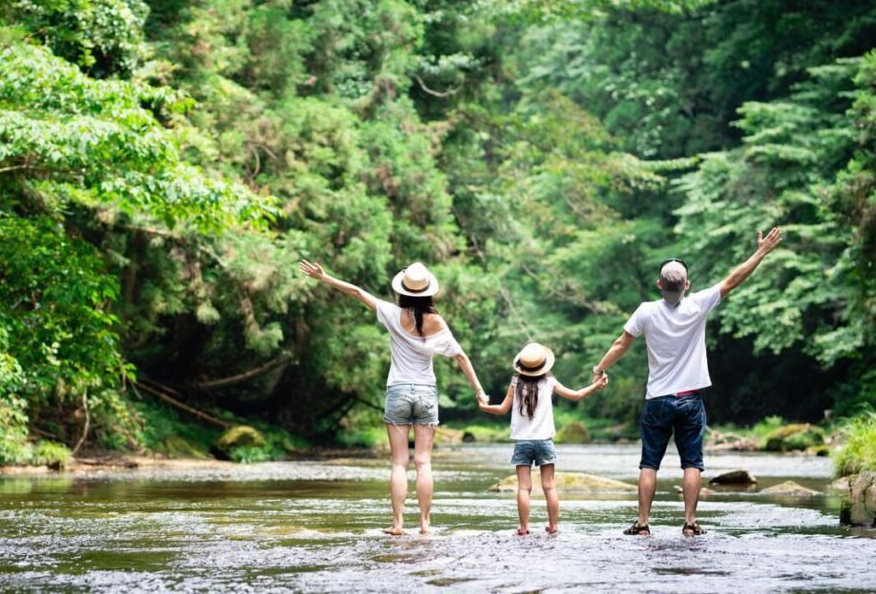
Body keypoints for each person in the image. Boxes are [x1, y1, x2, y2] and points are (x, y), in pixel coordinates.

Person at [590, 227, 784, 537]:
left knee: (649, 464)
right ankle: (690, 524)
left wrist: (599, 368)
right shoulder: (698, 304)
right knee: (692, 463)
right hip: (691, 400)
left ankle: (642, 525)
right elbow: (734, 280)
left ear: (659, 285)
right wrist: (761, 252)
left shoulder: (646, 311)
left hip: (657, 400)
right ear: (687, 285)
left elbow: (620, 344)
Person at [298, 259, 488, 535]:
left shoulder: (391, 313)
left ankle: (398, 524)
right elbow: (461, 356)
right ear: (428, 293)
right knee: (423, 461)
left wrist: (326, 278)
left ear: (403, 291)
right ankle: (425, 524)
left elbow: (357, 292)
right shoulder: (437, 323)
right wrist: (479, 391)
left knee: (400, 462)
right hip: (425, 394)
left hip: (398, 391)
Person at [478, 342, 607, 535]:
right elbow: (577, 395)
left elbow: (503, 409)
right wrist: (596, 385)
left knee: (523, 488)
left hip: (522, 442)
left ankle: (523, 528)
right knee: (549, 486)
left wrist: (483, 406)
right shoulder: (549, 381)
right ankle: (553, 527)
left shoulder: (515, 382)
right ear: (543, 365)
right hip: (545, 441)